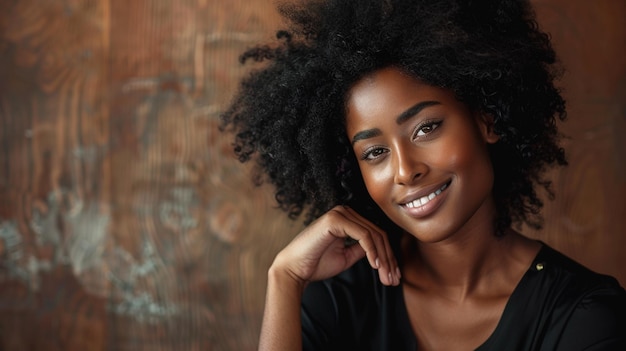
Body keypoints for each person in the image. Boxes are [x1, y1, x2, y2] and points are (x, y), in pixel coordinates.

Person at [220, 0, 626, 349]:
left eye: (426, 128)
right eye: (375, 151)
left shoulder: (584, 316)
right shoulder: (341, 302)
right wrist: (284, 278)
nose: (405, 170)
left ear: (488, 118)